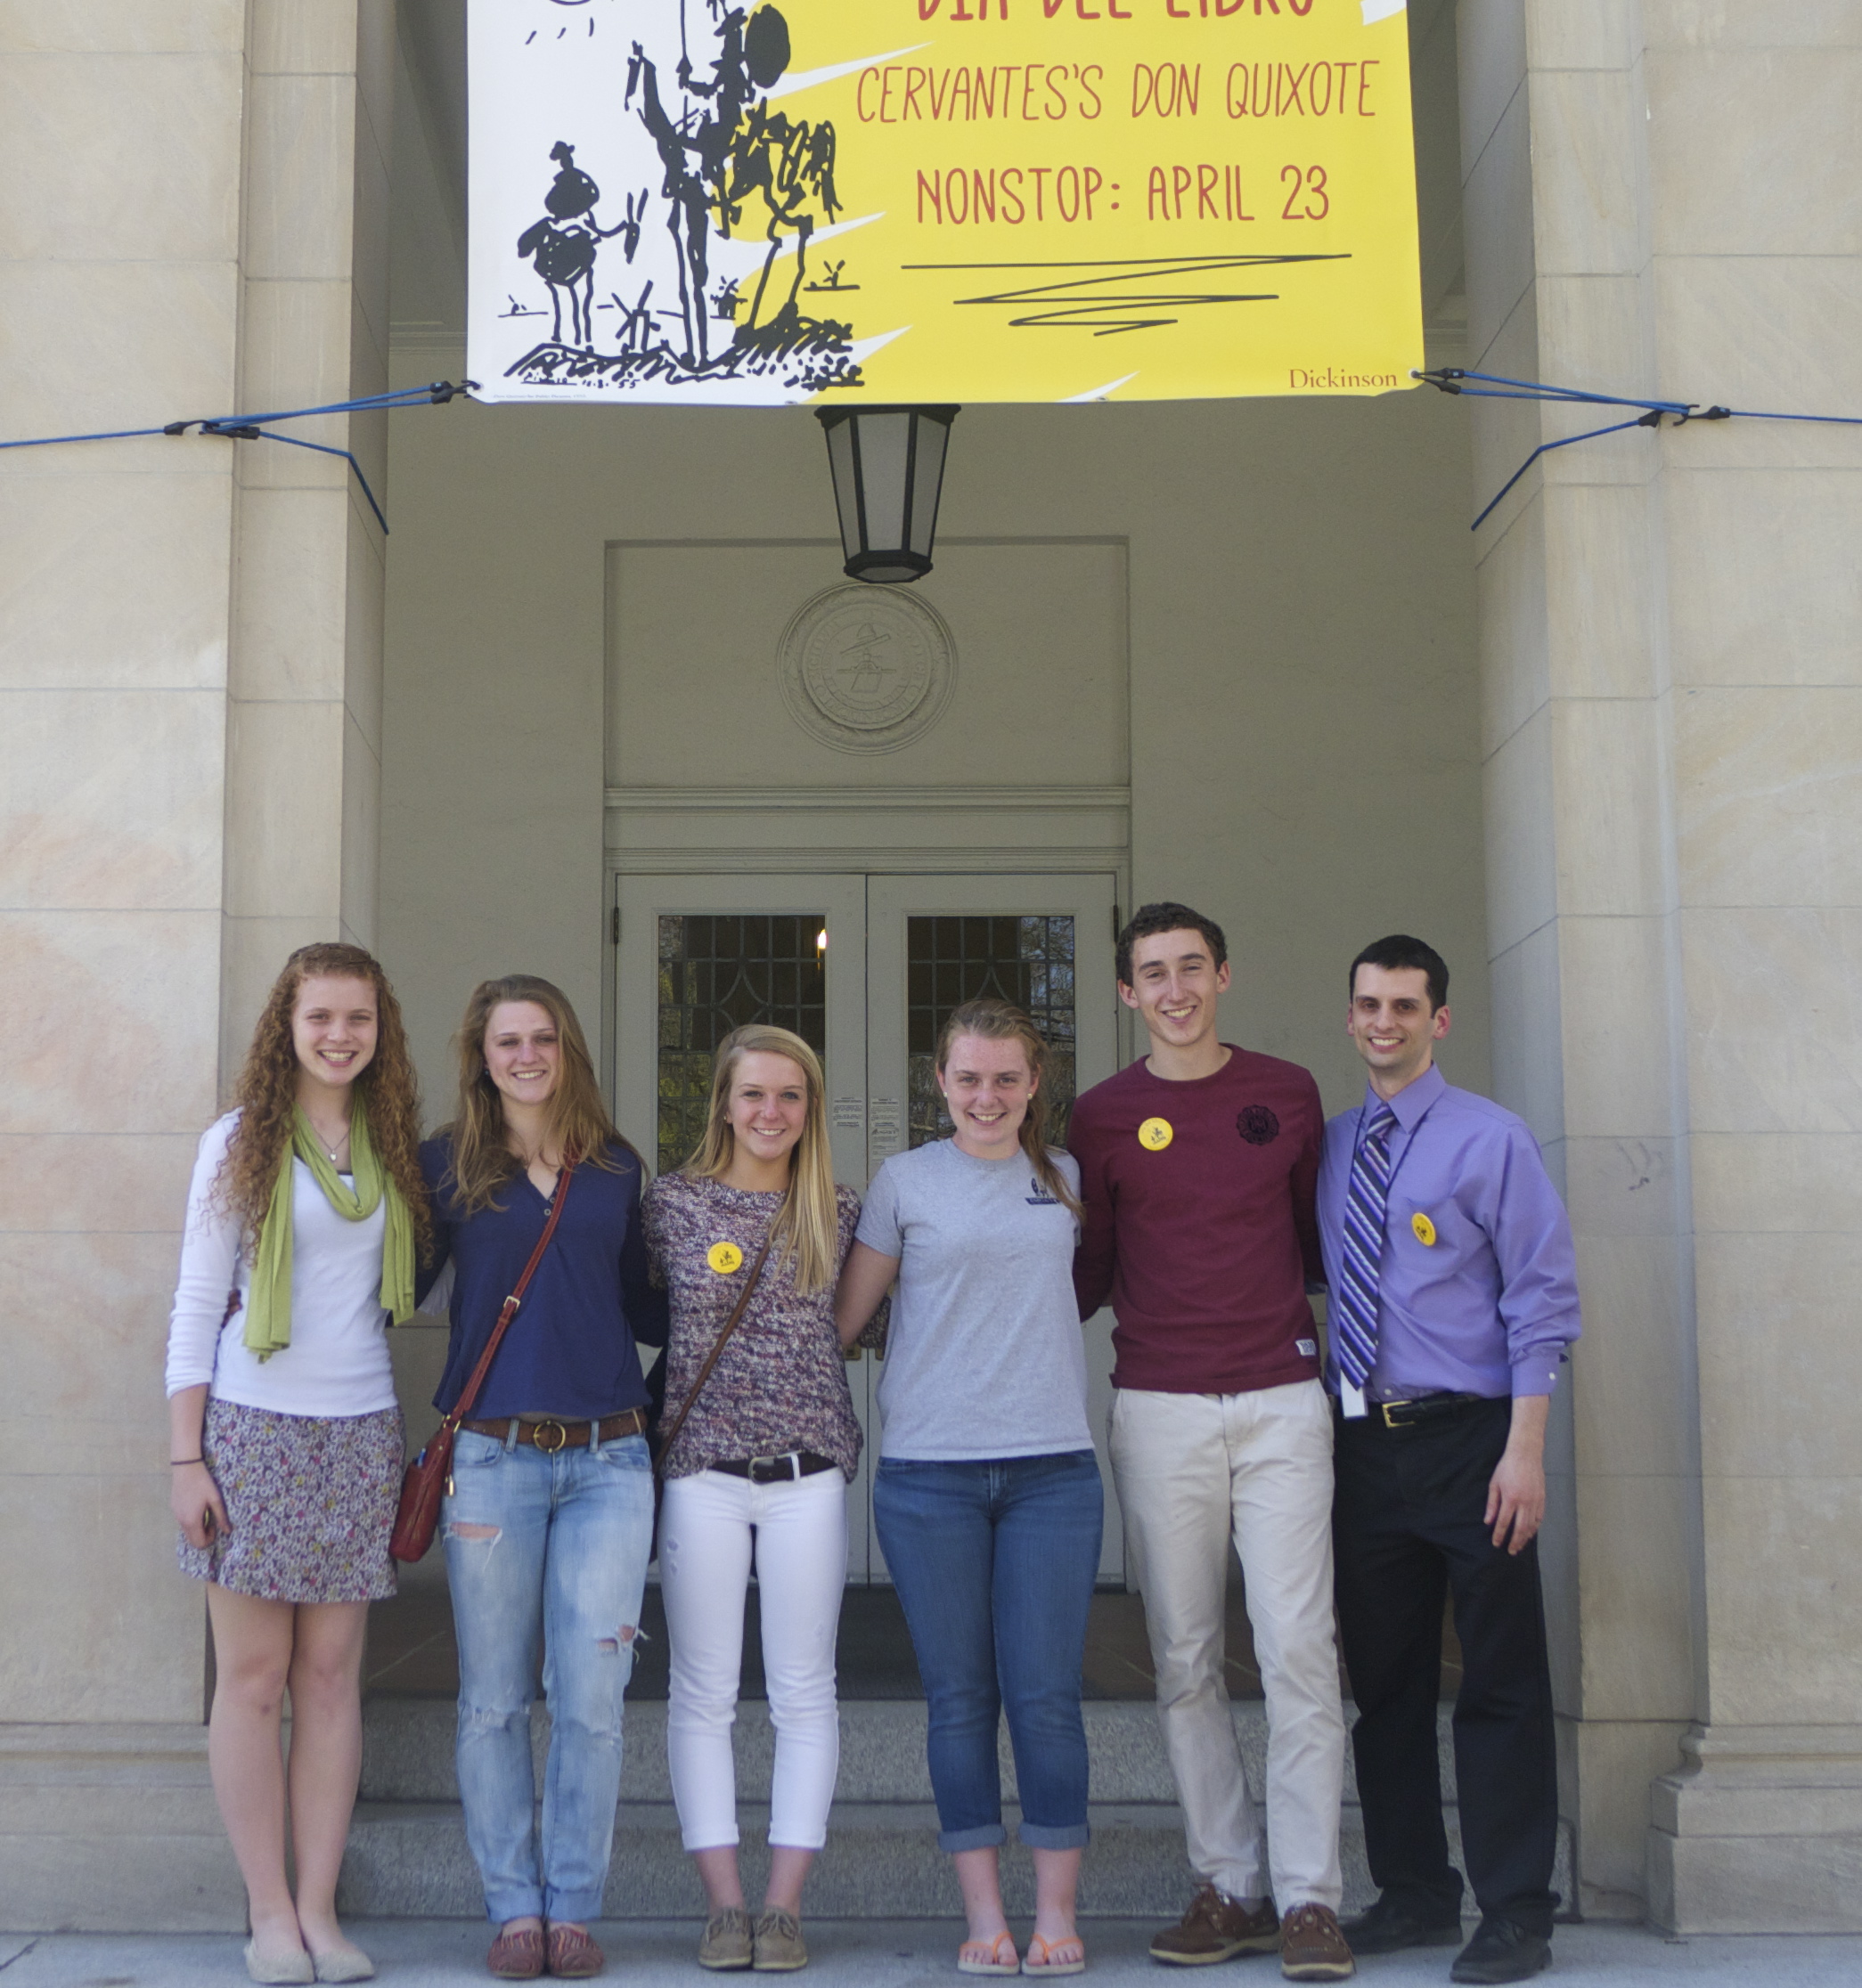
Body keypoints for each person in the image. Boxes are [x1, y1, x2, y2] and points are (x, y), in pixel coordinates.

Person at [1069, 903, 1353, 1982]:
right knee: (1184, 1656)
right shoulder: (1101, 1116)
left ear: (1223, 976)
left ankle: (1310, 1899)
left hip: (1281, 1398)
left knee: (1296, 1651)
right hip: (1158, 1408)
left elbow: (1312, 1243)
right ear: (1126, 994)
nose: (1175, 988)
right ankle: (1226, 1882)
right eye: (1154, 973)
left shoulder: (1284, 1093)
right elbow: (1085, 1273)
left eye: (1193, 967)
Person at [166, 941, 429, 1986]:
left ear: (380, 1029)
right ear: (288, 1025)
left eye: (357, 1018)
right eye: (319, 1017)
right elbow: (194, 1306)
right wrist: (184, 1457)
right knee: (255, 1678)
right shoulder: (240, 1141)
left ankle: (321, 1912)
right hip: (252, 1430)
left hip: (359, 1430)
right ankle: (267, 1915)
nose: (338, 1035)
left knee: (330, 1681)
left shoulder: (395, 1143)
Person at [1319, 936, 1580, 1986]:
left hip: (1476, 1441)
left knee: (1500, 1682)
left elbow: (1541, 1299)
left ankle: (1515, 1908)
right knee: (1382, 1685)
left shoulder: (1491, 1139)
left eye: (1405, 1005)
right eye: (1368, 1004)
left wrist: (1525, 1452)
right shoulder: (1335, 1144)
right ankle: (1415, 1892)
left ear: (1439, 1020)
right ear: (1347, 1015)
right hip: (1363, 1449)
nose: (1384, 1021)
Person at [836, 998, 1100, 1981]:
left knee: (1045, 1699)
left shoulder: (1065, 1178)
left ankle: (1055, 1916)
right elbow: (845, 1321)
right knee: (958, 1699)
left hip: (1051, 1474)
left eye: (1005, 1079)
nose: (985, 1096)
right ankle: (986, 1918)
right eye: (966, 1078)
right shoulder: (904, 1181)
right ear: (938, 1084)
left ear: (1034, 1085)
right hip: (928, 1478)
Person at [420, 976, 667, 1983]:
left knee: (592, 1694)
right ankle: (512, 1908)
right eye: (505, 1041)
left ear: (568, 1049)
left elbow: (644, 1308)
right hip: (491, 1456)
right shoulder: (444, 1165)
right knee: (490, 1700)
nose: (525, 1055)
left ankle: (572, 1906)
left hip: (611, 1456)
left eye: (542, 1038)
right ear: (480, 1056)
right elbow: (387, 1283)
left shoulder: (615, 1167)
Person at [641, 1025, 863, 1975]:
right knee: (702, 1693)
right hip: (702, 1476)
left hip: (807, 1477)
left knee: (805, 1692)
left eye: (790, 1097)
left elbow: (872, 1326)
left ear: (810, 1109)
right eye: (753, 1095)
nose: (770, 1113)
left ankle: (781, 1906)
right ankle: (723, 1904)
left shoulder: (839, 1210)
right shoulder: (668, 1206)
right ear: (722, 1103)